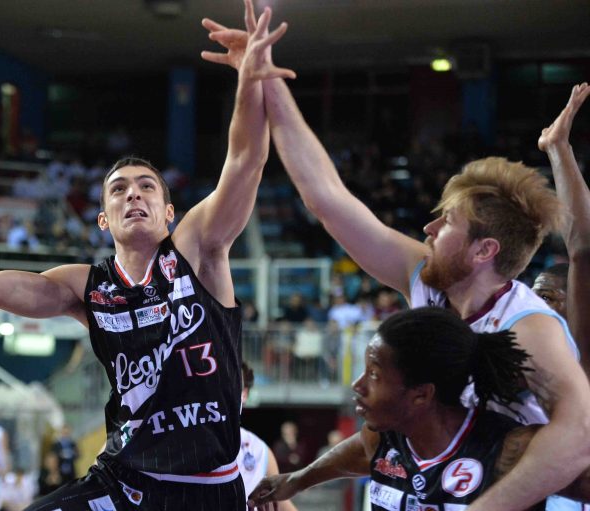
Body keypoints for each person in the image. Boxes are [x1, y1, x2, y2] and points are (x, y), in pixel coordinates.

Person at [0, 2, 294, 509]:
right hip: (123, 482)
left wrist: (249, 80)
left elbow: (245, 160)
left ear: (170, 213)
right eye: (118, 189)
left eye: (147, 186)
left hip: (207, 490)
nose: (133, 193)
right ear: (103, 219)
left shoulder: (199, 251)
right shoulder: (86, 287)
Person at [201, 21, 590, 511]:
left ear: (484, 251)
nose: (428, 229)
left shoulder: (528, 327)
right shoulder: (429, 283)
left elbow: (581, 433)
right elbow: (327, 198)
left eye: (446, 222)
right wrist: (266, 78)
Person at [247, 307, 590, 510]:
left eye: (374, 375)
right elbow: (354, 455)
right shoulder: (381, 439)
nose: (358, 385)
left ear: (421, 395)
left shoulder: (509, 450)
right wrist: (297, 480)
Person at [537, 82, 590, 377]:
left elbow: (584, 252)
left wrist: (559, 149)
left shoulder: (580, 361)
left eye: (546, 297)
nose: (535, 305)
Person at [238, 362, 297, 511]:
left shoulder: (259, 450)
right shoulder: (189, 445)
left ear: (244, 394)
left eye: (235, 383)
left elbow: (283, 505)